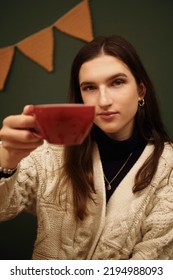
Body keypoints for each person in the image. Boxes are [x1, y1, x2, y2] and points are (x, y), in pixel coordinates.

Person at [0, 35, 173, 260]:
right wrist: (7, 159)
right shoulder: (51, 152)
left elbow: (152, 264)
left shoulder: (167, 168)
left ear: (141, 90)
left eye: (117, 82)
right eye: (90, 87)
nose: (103, 100)